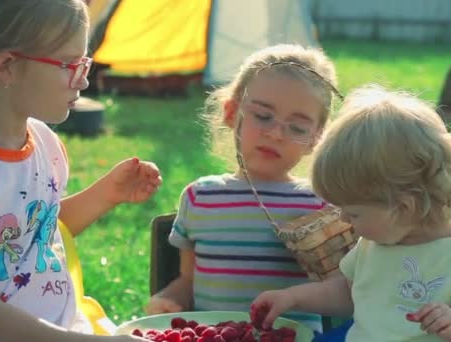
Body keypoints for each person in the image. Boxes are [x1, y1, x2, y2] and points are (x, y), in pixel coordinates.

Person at [0, 1, 162, 340]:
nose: (83, 81)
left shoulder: (44, 142)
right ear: (7, 66)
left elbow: (36, 236)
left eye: (84, 63)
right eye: (70, 65)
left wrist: (105, 195)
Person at [252, 85, 451, 342]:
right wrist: (293, 298)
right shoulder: (373, 244)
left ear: (403, 207)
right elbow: (348, 293)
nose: (344, 219)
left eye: (353, 213)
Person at [145, 44, 341, 335]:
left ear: (316, 139)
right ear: (231, 112)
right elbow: (188, 281)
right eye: (263, 116)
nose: (275, 133)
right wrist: (168, 299)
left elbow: (342, 291)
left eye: (297, 128)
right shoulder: (201, 198)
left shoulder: (321, 205)